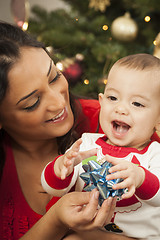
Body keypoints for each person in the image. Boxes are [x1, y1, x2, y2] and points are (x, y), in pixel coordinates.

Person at [0, 21, 134, 240]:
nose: (58, 102)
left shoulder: (115, 124)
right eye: (32, 102)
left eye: (54, 77)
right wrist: (55, 220)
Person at [42, 53, 160, 239]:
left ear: (158, 119)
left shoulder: (154, 154)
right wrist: (60, 169)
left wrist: (140, 177)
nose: (120, 108)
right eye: (113, 98)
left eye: (137, 103)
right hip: (85, 233)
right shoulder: (86, 144)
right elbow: (54, 189)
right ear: (101, 101)